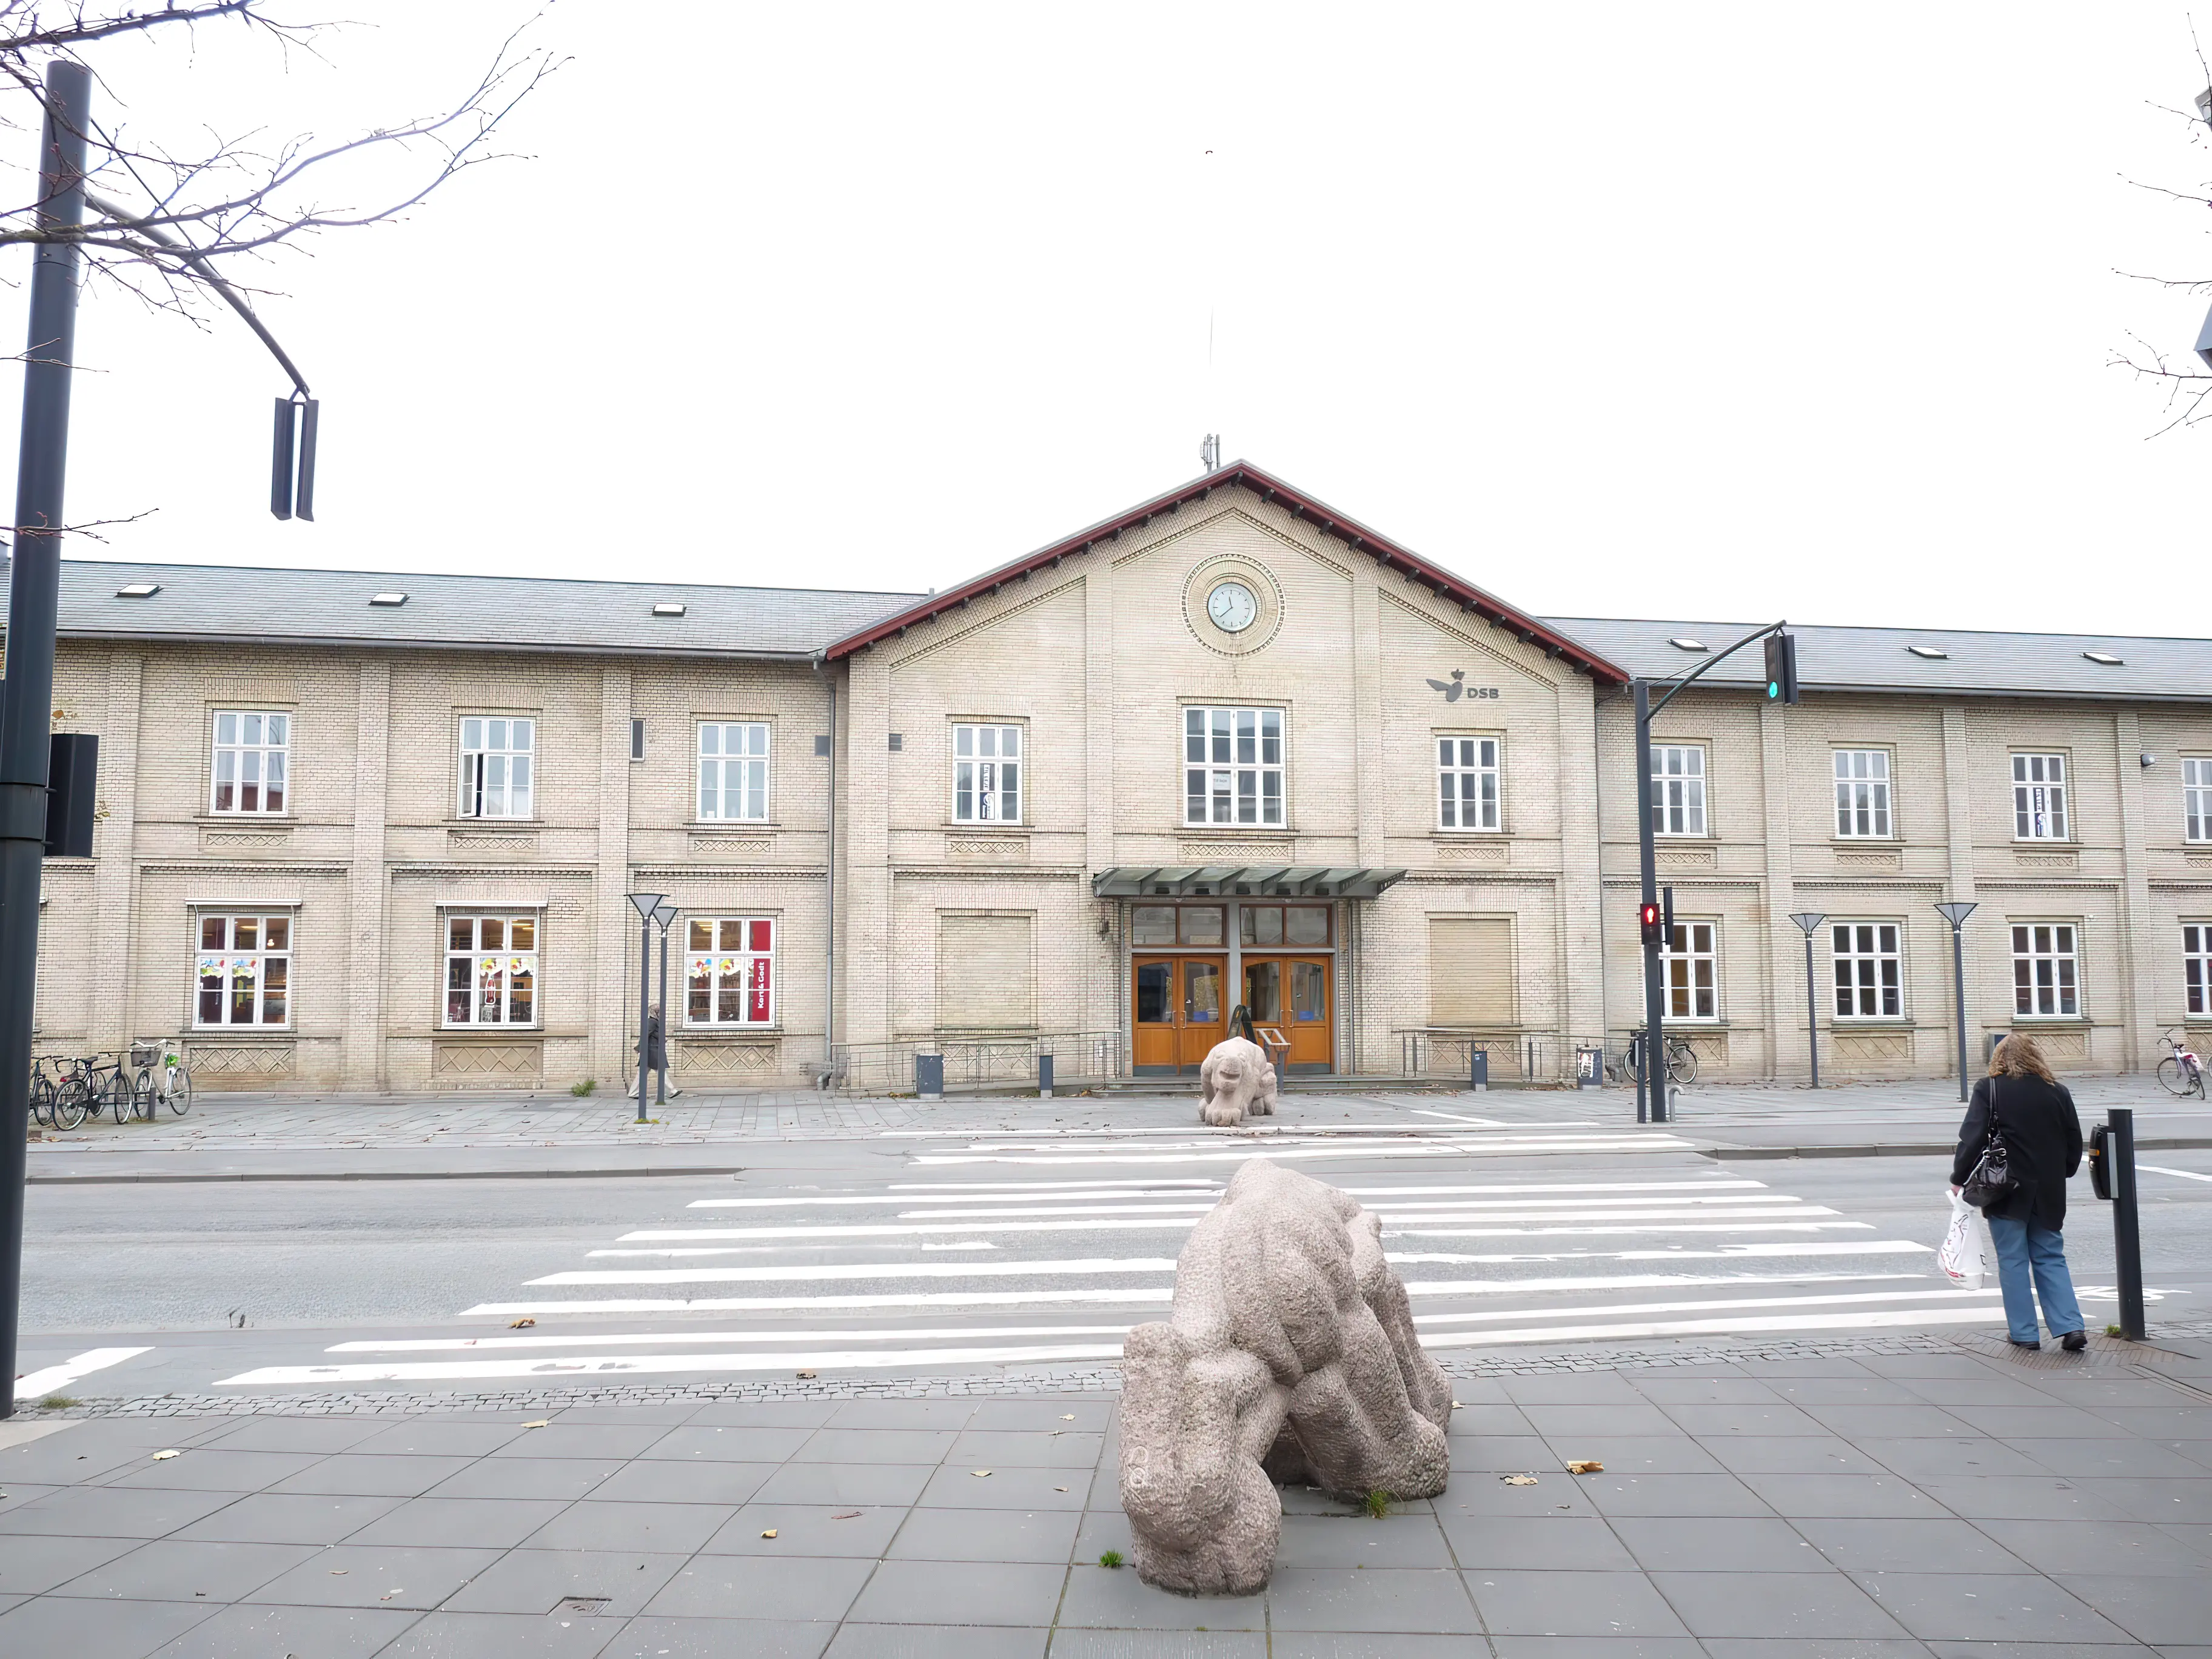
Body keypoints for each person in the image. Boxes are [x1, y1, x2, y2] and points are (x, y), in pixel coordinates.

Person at [1951, 1033, 2086, 1352]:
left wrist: (1959, 1177)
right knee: (2051, 1256)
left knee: (2012, 1260)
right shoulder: (2058, 1091)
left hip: (2006, 1189)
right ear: (2035, 1057)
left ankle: (2025, 1334)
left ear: (1999, 1058)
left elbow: (1972, 1137)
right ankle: (2071, 1326)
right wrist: (2061, 1172)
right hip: (2049, 1190)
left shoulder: (1990, 1088)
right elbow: (2073, 1141)